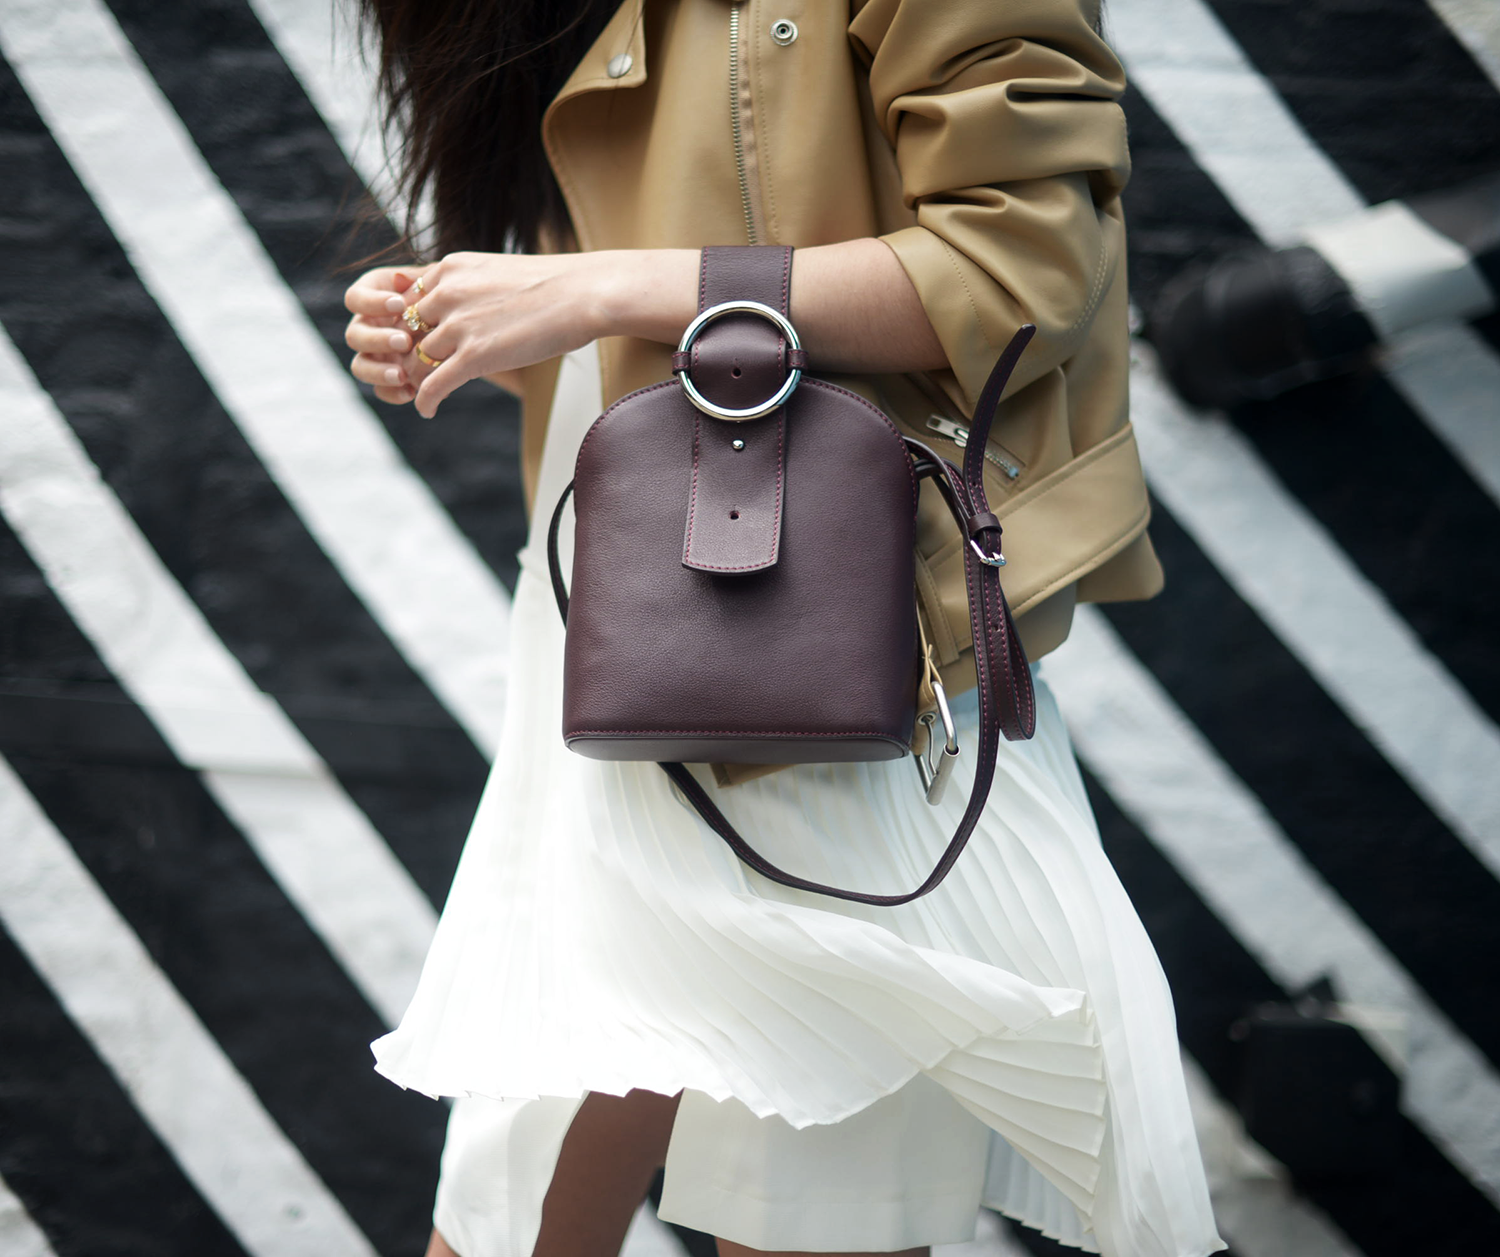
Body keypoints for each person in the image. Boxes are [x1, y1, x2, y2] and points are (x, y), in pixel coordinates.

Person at [343, 1, 1226, 1255]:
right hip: (620, 617)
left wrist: (591, 288)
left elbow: (1023, 271)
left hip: (833, 628)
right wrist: (490, 321)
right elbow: (649, 278)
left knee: (796, 1183)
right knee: (523, 1170)